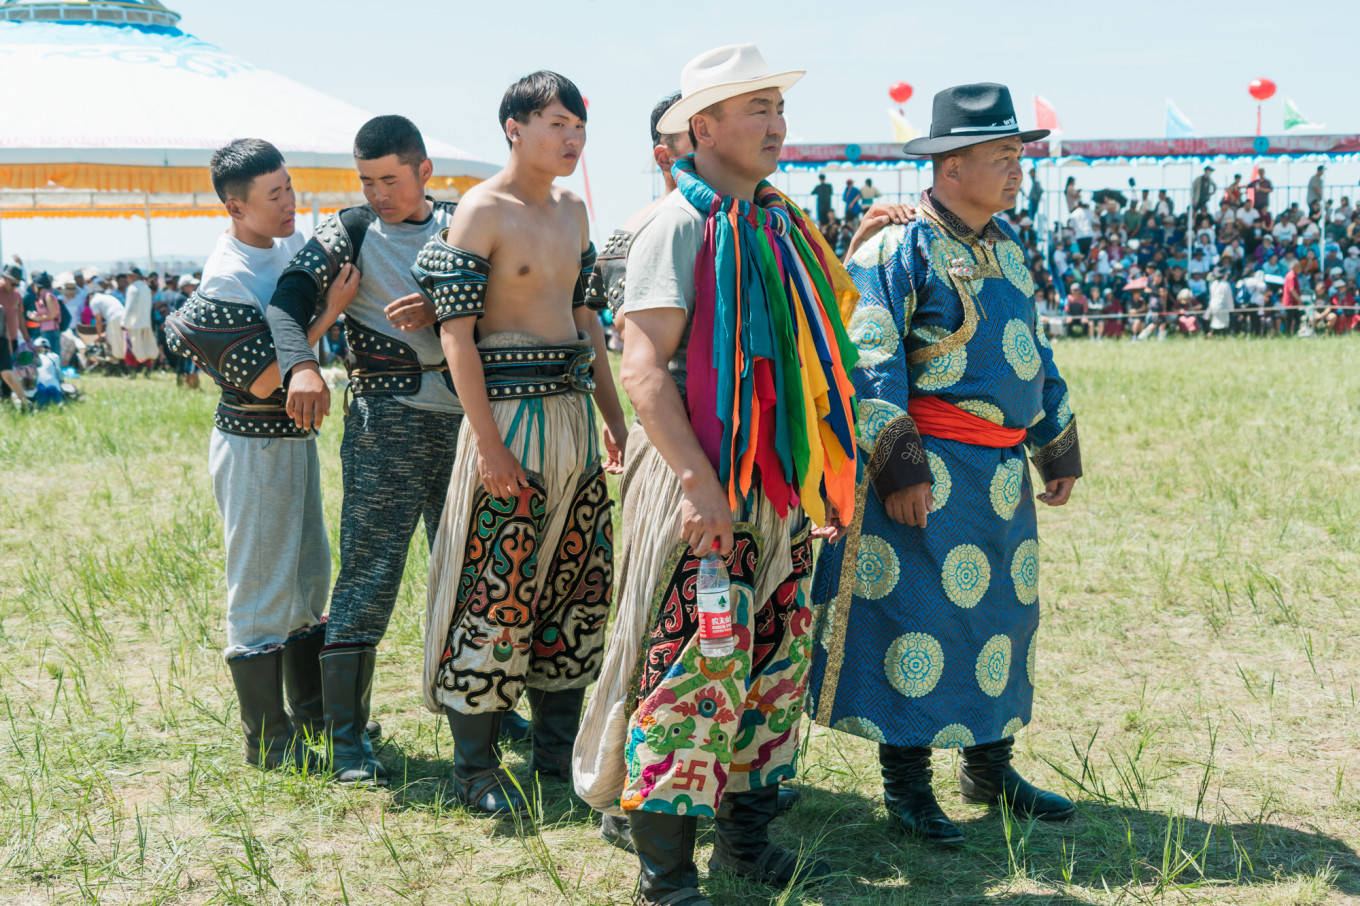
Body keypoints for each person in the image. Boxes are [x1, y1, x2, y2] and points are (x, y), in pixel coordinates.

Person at [574, 43, 860, 906]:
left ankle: (746, 842)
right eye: (757, 109)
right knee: (691, 661)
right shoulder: (678, 225)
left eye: (779, 107)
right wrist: (701, 484)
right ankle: (665, 877)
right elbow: (642, 367)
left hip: (773, 484)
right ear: (701, 129)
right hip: (698, 481)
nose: (778, 125)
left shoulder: (777, 223)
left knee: (772, 661)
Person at [808, 82, 1081, 847]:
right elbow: (869, 359)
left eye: (1020, 154)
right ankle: (908, 788)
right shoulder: (899, 246)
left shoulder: (1009, 249)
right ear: (951, 166)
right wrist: (900, 468)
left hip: (1001, 479)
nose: (1018, 168)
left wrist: (1056, 443)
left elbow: (1034, 353)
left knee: (999, 621)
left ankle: (990, 769)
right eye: (1003, 155)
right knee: (917, 624)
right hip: (928, 473)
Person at [413, 70, 628, 817]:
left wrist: (615, 419)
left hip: (572, 420)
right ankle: (474, 770)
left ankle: (553, 756)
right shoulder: (481, 210)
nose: (572, 138)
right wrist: (487, 444)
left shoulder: (574, 210)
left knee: (577, 584)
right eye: (557, 124)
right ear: (515, 128)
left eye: (579, 126)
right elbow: (456, 337)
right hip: (507, 421)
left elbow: (588, 323)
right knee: (494, 589)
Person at [266, 115, 463, 786]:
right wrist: (301, 365)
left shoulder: (464, 224)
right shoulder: (347, 231)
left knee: (471, 575)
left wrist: (442, 307)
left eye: (390, 180)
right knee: (369, 576)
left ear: (424, 171)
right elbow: (286, 301)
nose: (378, 194)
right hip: (386, 425)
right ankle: (347, 738)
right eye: (367, 181)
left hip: (471, 425)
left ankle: (480, 713)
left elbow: (505, 301)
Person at [164, 139, 358, 772]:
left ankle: (311, 715)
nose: (289, 203)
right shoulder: (227, 275)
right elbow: (268, 379)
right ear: (235, 206)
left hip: (293, 437)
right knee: (258, 586)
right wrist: (328, 315)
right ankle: (268, 740)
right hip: (252, 443)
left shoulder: (283, 246)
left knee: (307, 576)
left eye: (289, 187)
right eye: (274, 195)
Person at [584, 92, 694, 327]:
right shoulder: (633, 234)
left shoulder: (747, 213)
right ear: (664, 158)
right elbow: (629, 328)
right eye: (698, 141)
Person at [123, 269, 158, 372]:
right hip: (146, 322)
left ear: (135, 276)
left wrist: (124, 322)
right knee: (147, 346)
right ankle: (147, 370)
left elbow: (129, 307)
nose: (127, 278)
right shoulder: (146, 288)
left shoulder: (132, 288)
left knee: (132, 347)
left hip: (134, 323)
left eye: (129, 276)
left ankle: (132, 371)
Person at [30, 336, 63, 407]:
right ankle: (59, 404)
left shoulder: (33, 357)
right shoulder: (55, 356)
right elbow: (60, 375)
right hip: (55, 388)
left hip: (39, 389)